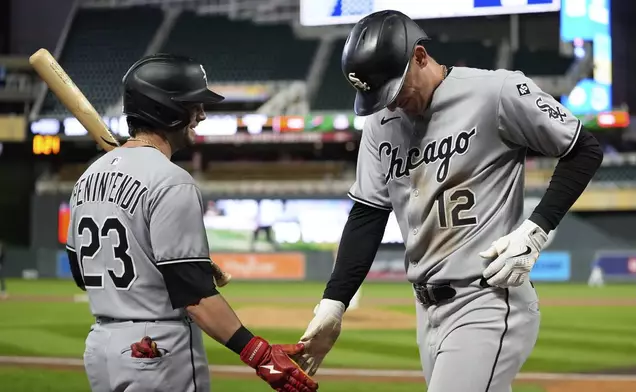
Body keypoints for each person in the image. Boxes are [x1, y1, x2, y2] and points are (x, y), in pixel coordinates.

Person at [294, 10, 603, 392]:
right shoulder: (380, 122)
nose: (390, 105)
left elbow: (582, 148)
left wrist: (535, 230)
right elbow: (367, 214)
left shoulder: (497, 91)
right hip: (427, 311)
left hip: (485, 298)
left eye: (395, 91)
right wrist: (334, 303)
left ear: (420, 57)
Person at [65, 53, 318, 392]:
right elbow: (195, 297)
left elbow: (82, 273)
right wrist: (260, 354)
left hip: (101, 350)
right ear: (165, 110)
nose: (201, 114)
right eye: (192, 105)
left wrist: (170, 263)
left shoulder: (86, 179)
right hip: (158, 349)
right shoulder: (171, 181)